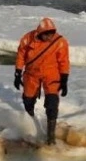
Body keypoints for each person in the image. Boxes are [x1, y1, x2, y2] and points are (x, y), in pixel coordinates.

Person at [14, 17, 70, 145]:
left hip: (52, 75)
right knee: (28, 99)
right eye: (47, 34)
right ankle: (31, 123)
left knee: (52, 103)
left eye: (52, 33)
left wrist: (64, 78)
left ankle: (51, 137)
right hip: (31, 74)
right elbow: (21, 55)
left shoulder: (60, 42)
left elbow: (64, 61)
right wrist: (17, 73)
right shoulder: (28, 39)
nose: (50, 36)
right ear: (40, 32)